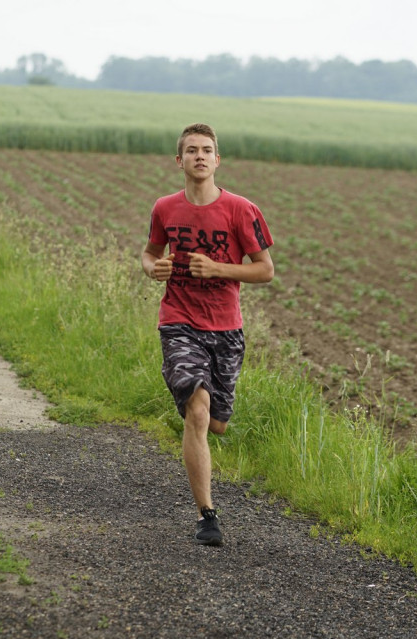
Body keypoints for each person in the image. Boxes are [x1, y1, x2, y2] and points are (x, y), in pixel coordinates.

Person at [141, 123, 275, 547]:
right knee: (196, 412)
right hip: (178, 320)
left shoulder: (241, 210)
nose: (200, 156)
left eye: (208, 150)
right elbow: (150, 253)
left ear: (218, 160)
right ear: (178, 161)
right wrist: (153, 268)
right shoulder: (165, 207)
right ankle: (207, 515)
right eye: (192, 150)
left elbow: (265, 270)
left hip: (226, 328)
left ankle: (207, 432)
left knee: (216, 424)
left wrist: (218, 268)